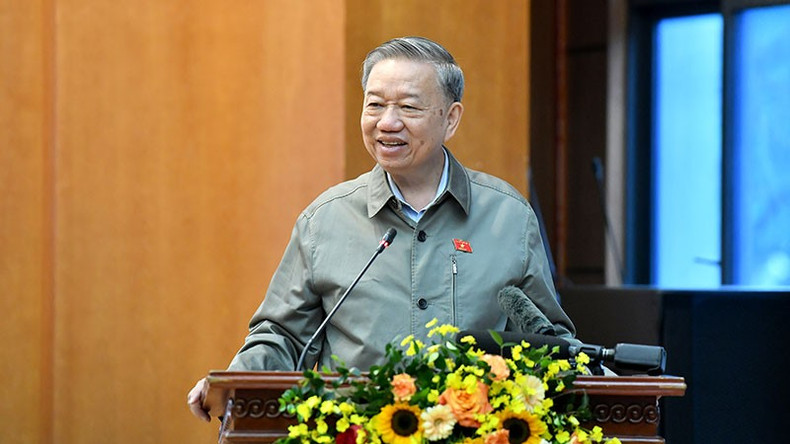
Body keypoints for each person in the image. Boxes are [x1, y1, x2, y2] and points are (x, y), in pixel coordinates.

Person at [188, 36, 576, 421]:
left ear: (451, 118)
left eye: (408, 107)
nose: (387, 123)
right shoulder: (325, 220)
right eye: (375, 105)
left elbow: (551, 345)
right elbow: (283, 337)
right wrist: (230, 384)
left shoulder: (508, 217)